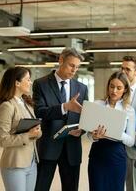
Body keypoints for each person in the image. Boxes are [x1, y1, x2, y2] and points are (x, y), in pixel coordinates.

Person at [32, 48, 88, 191]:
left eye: (77, 67)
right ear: (61, 60)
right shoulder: (41, 84)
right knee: (40, 187)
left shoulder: (82, 88)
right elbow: (39, 111)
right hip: (48, 146)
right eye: (71, 65)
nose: (74, 70)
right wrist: (65, 107)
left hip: (72, 148)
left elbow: (86, 116)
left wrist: (82, 130)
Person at [0, 66, 42, 191]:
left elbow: (35, 130)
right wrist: (29, 135)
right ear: (17, 83)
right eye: (28, 79)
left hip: (31, 162)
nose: (30, 82)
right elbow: (2, 140)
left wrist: (37, 132)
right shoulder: (7, 106)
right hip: (15, 163)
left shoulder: (27, 104)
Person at [87, 71, 135, 191]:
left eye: (119, 88)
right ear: (108, 86)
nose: (114, 91)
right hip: (97, 155)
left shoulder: (129, 110)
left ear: (124, 90)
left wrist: (116, 132)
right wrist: (95, 136)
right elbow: (88, 134)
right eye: (112, 86)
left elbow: (131, 141)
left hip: (117, 156)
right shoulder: (97, 105)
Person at [121, 56, 136, 191]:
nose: (123, 72)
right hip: (116, 146)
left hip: (134, 149)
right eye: (122, 68)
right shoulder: (116, 89)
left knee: (132, 187)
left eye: (127, 69)